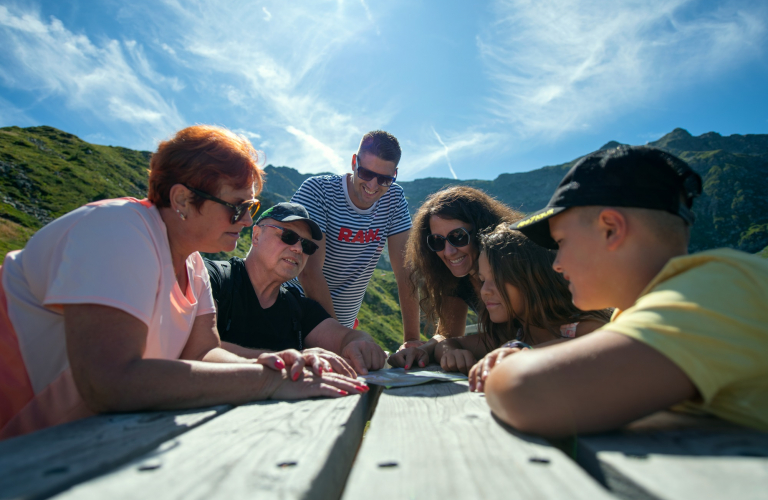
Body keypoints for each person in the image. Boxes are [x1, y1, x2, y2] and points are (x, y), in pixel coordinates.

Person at [0, 125, 364, 440]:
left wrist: (278, 364)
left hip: (60, 446)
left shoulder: (194, 267)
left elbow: (202, 352)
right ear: (183, 199)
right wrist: (266, 382)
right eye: (237, 207)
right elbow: (108, 380)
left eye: (251, 208)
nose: (245, 219)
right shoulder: (117, 230)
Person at [483, 145, 768, 437]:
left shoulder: (714, 291)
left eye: (561, 242)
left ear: (611, 229)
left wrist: (514, 362)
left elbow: (525, 393)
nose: (556, 264)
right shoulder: (633, 311)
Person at [205, 202, 387, 376]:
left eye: (307, 246)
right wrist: (289, 360)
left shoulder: (301, 310)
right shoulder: (212, 279)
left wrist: (362, 344)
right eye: (288, 236)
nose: (298, 248)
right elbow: (195, 346)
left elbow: (346, 337)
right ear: (256, 236)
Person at [289, 130, 420, 346]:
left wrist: (413, 340)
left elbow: (406, 272)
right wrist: (340, 337)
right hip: (295, 318)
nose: (372, 186)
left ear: (395, 174)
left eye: (385, 179)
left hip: (341, 330)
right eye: (366, 174)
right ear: (353, 162)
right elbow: (309, 271)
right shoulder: (318, 191)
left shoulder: (394, 199)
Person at [437, 224, 609, 376]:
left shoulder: (583, 329)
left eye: (497, 279)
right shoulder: (515, 334)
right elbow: (450, 342)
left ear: (533, 279)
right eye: (483, 280)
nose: (485, 291)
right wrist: (452, 352)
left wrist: (527, 353)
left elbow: (607, 348)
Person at [388, 186, 523, 368]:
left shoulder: (517, 265)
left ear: (482, 230)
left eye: (458, 237)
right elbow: (447, 334)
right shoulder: (456, 278)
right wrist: (422, 350)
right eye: (437, 241)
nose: (449, 251)